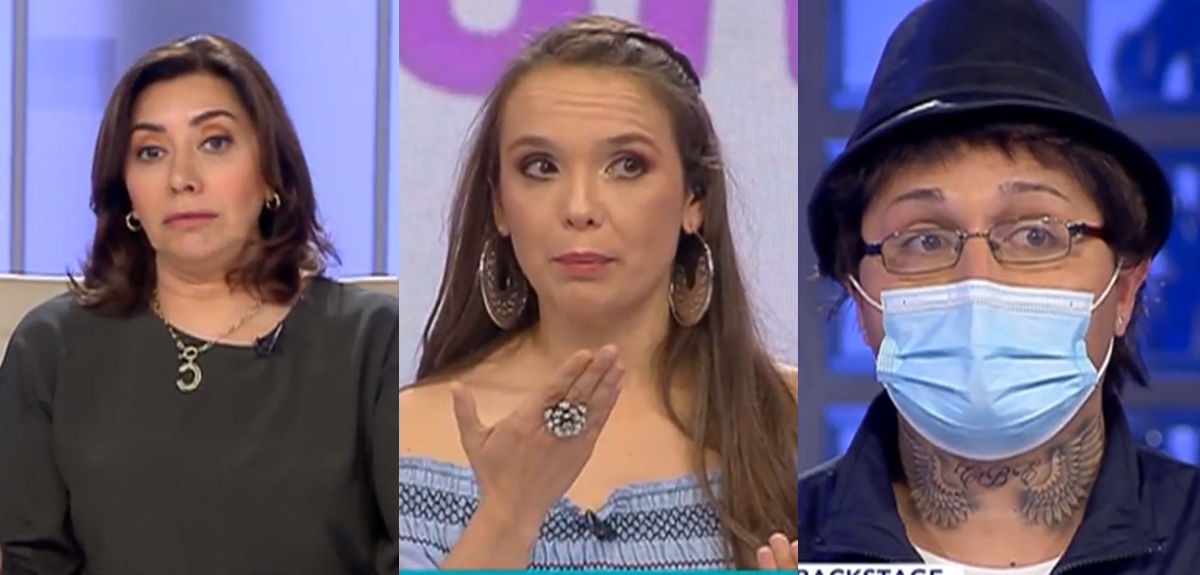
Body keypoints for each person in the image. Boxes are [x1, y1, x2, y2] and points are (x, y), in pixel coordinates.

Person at [799, 0, 1200, 573]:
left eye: (1036, 235)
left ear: (1125, 288)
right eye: (925, 240)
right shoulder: (773, 544)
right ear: (859, 298)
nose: (977, 282)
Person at [396, 15, 799, 571]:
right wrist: (506, 517)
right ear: (499, 204)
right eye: (541, 167)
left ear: (695, 200)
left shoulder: (791, 423)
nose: (580, 208)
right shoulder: (405, 435)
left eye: (627, 166)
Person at [0, 34, 398, 574]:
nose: (182, 179)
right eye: (151, 152)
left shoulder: (372, 344)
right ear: (127, 191)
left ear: (270, 174)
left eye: (214, 142)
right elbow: (30, 560)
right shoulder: (51, 349)